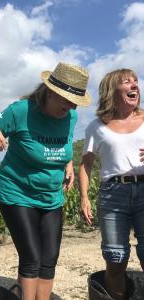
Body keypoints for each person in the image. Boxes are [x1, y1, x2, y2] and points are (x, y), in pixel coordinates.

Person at [0, 62, 91, 300]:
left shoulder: (70, 116)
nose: (72, 106)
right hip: (17, 192)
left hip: (52, 196)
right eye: (68, 99)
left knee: (49, 258)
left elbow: (64, 143)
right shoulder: (20, 110)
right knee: (32, 258)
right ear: (51, 92)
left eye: (75, 102)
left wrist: (68, 164)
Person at [79, 68, 144, 299]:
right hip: (112, 195)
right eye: (127, 82)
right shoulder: (96, 127)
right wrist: (84, 197)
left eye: (136, 81)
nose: (134, 85)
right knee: (116, 259)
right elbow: (85, 165)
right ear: (112, 90)